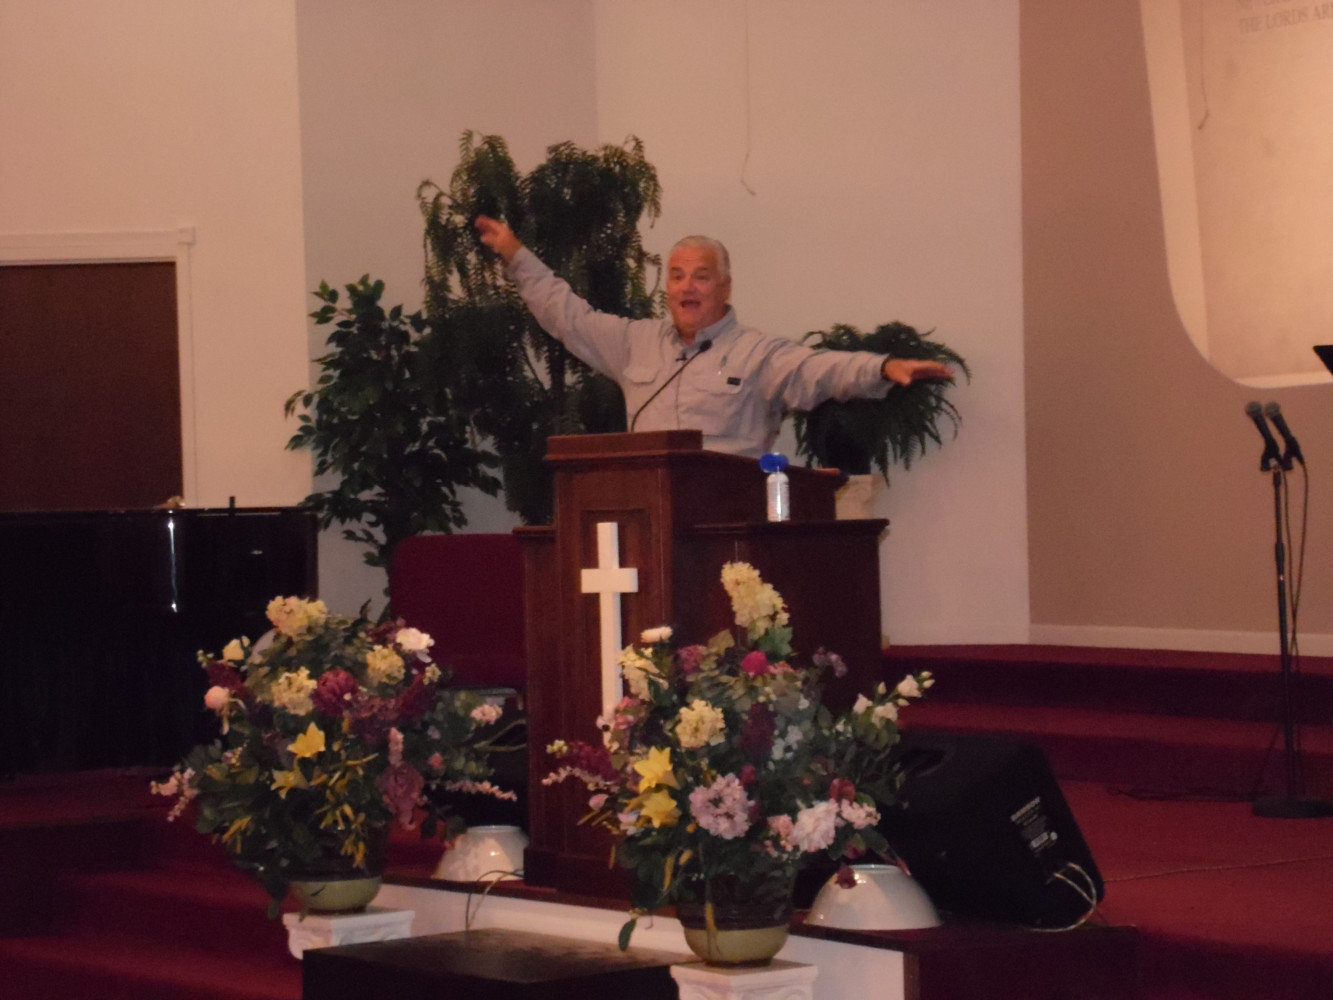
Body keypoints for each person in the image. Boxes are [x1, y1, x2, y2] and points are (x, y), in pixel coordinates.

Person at [474, 215, 954, 458]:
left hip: (727, 526)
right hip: (648, 518)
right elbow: (567, 316)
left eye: (701, 277)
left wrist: (882, 367)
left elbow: (818, 369)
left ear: (724, 287)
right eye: (677, 276)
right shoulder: (634, 342)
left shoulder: (757, 353)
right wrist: (516, 254)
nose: (688, 287)